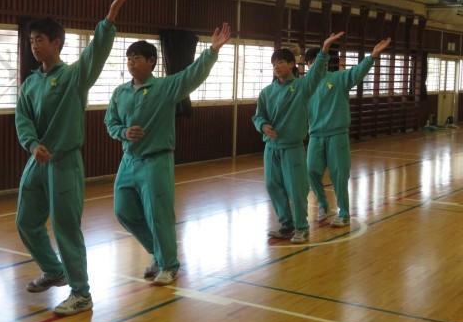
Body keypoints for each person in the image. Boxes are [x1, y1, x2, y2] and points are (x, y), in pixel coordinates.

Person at [14, 0, 129, 316]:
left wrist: (110, 16)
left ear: (57, 43)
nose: (35, 46)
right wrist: (32, 144)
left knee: (66, 228)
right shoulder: (30, 83)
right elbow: (23, 119)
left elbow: (96, 53)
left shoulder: (73, 77)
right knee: (26, 221)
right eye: (31, 41)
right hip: (37, 161)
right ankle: (54, 271)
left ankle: (81, 293)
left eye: (40, 40)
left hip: (65, 162)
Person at [104, 23, 232, 285]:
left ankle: (169, 265)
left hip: (156, 160)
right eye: (128, 58)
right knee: (123, 210)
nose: (131, 63)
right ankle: (158, 252)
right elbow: (111, 122)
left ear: (151, 61)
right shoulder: (120, 92)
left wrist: (212, 51)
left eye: (136, 58)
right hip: (129, 161)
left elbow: (192, 75)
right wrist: (123, 132)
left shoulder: (165, 87)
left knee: (158, 214)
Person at [252, 33, 343, 244]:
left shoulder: (302, 87)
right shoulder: (266, 92)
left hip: (292, 148)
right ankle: (286, 224)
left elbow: (316, 72)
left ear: (292, 64)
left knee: (296, 188)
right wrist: (263, 126)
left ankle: (302, 227)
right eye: (274, 64)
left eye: (280, 62)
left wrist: (324, 50)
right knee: (273, 186)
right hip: (271, 149)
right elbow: (258, 116)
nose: (276, 67)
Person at [305, 37, 391, 227]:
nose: (312, 65)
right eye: (309, 62)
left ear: (324, 62)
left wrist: (372, 57)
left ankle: (343, 213)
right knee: (311, 170)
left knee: (339, 175)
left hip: (337, 135)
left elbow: (357, 72)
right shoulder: (306, 85)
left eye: (315, 61)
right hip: (315, 136)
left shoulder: (338, 78)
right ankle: (323, 204)